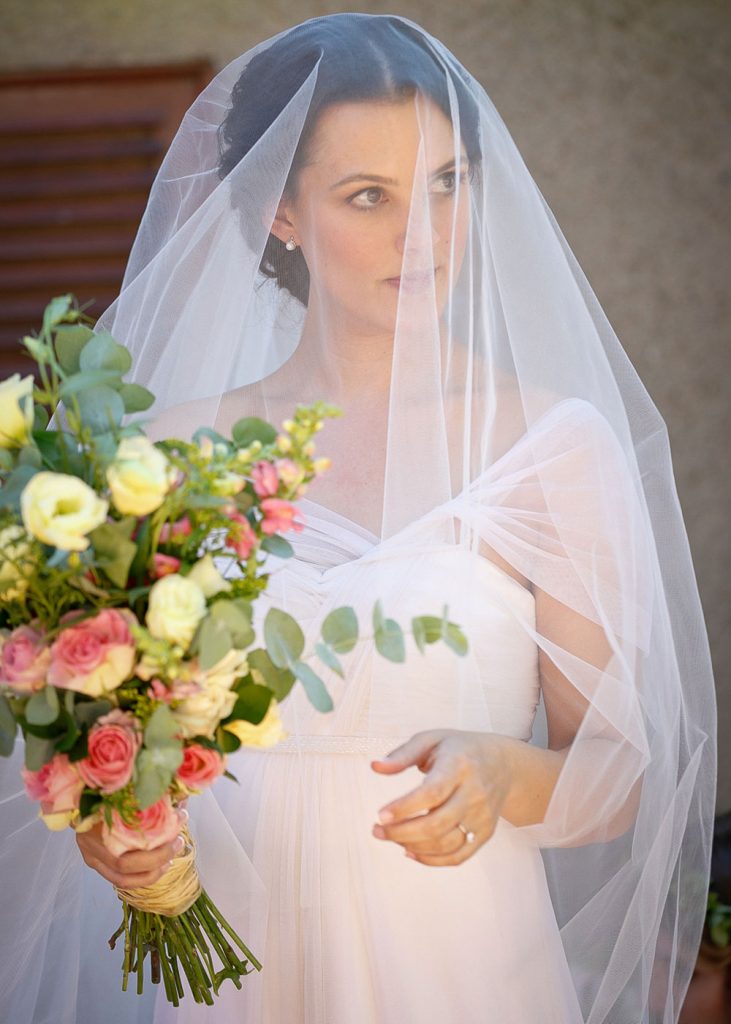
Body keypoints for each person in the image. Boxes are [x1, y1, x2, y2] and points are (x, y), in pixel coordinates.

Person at [0, 14, 716, 1023]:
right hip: (226, 972)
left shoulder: (549, 445)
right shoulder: (170, 453)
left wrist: (502, 771)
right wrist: (117, 831)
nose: (421, 232)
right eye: (367, 196)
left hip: (460, 971)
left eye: (446, 182)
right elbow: (95, 749)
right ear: (281, 211)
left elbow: (617, 777)